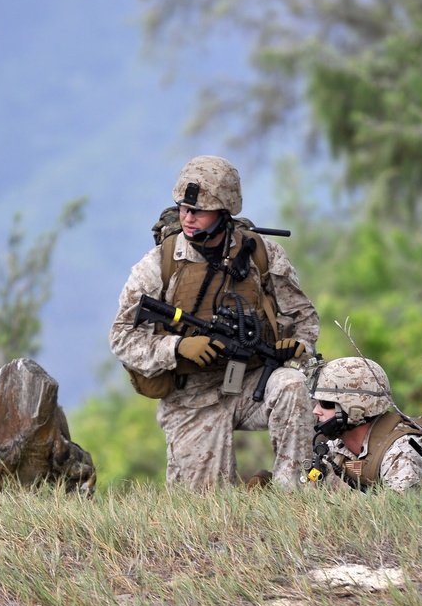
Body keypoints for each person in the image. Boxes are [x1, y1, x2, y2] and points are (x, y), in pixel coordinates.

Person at [109, 155, 320, 489]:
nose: (188, 218)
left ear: (224, 213)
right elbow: (121, 338)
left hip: (252, 383)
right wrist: (177, 347)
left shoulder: (262, 254)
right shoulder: (157, 265)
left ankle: (291, 494)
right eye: (183, 209)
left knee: (292, 386)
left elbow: (304, 317)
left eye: (199, 211)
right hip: (191, 399)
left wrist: (299, 346)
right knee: (204, 512)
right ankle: (256, 498)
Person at [304, 356, 422, 492]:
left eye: (326, 404)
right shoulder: (336, 448)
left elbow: (401, 509)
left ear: (356, 407)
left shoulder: (401, 451)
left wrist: (339, 487)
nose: (316, 410)